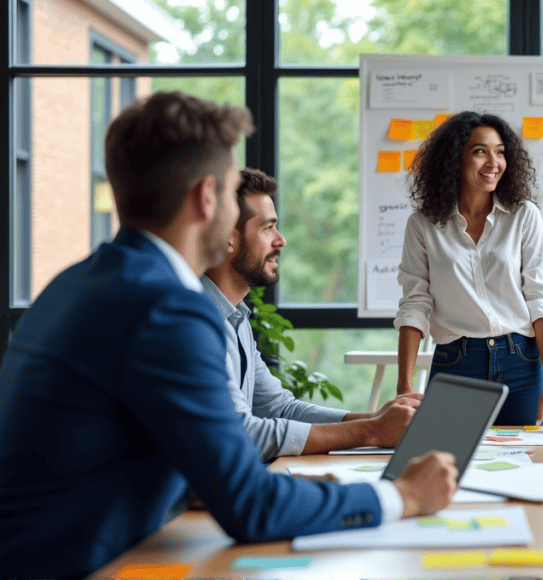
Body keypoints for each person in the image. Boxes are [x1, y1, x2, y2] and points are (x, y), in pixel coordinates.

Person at [0, 91, 457, 579]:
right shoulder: (166, 307)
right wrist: (403, 495)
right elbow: (249, 507)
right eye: (230, 186)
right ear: (205, 197)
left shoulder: (85, 281)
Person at [204, 168, 422, 460]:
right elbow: (243, 434)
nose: (280, 240)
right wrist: (370, 431)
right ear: (229, 239)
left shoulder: (237, 317)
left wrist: (372, 419)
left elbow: (281, 408)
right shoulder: (201, 321)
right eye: (268, 228)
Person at [394, 111, 543, 431]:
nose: (494, 162)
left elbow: (539, 299)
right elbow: (414, 304)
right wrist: (404, 386)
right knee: (448, 459)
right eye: (480, 151)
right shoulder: (423, 225)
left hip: (522, 362)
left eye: (500, 152)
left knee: (527, 462)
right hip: (456, 363)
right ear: (454, 160)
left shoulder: (523, 216)